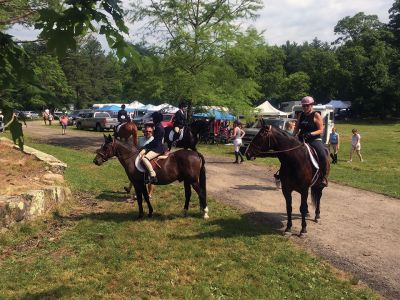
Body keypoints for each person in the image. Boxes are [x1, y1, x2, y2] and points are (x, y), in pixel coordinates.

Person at [293, 96, 328, 187]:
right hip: (301, 139)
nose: (304, 107)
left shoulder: (316, 115)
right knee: (288, 153)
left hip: (314, 140)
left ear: (311, 105)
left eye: (307, 106)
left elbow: (321, 130)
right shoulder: (301, 115)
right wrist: (292, 137)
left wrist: (311, 134)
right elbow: (296, 129)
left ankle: (322, 177)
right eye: (303, 106)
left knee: (322, 155)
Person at [125, 124, 156, 198]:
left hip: (150, 159)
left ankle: (150, 194)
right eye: (146, 131)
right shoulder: (141, 139)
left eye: (150, 131)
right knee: (134, 173)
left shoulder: (154, 140)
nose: (148, 132)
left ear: (152, 132)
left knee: (150, 177)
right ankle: (133, 190)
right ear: (144, 132)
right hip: (140, 157)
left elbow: (155, 151)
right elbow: (137, 149)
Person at [141, 111, 166, 183]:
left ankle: (152, 174)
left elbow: (156, 141)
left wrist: (146, 146)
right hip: (158, 145)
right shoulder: (159, 125)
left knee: (144, 158)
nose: (153, 119)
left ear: (156, 119)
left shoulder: (158, 127)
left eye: (153, 118)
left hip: (157, 148)